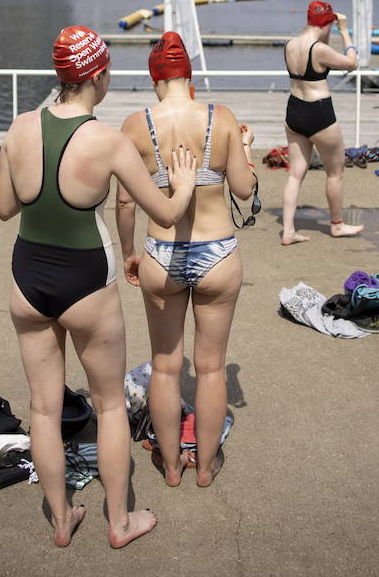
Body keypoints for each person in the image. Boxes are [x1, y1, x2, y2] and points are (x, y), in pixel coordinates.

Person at [0, 26, 197, 549]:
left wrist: (37, 186)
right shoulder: (107, 139)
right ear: (99, 76)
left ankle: (62, 519)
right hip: (85, 279)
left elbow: (4, 207)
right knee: (109, 406)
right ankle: (119, 521)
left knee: (42, 406)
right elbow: (168, 213)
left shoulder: (18, 128)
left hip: (27, 275)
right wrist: (185, 181)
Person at [116, 32, 255, 488]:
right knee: (212, 367)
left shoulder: (136, 125)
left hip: (161, 251)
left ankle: (172, 466)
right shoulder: (222, 117)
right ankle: (207, 468)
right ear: (189, 76)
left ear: (154, 77)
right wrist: (247, 150)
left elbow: (125, 203)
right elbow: (243, 190)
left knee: (165, 365)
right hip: (218, 253)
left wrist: (130, 253)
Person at [280, 1, 363, 245]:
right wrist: (345, 31)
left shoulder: (290, 44)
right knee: (335, 173)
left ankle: (287, 231)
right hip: (319, 112)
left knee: (295, 174)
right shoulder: (319, 49)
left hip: (294, 110)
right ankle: (337, 225)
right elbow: (351, 62)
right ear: (327, 23)